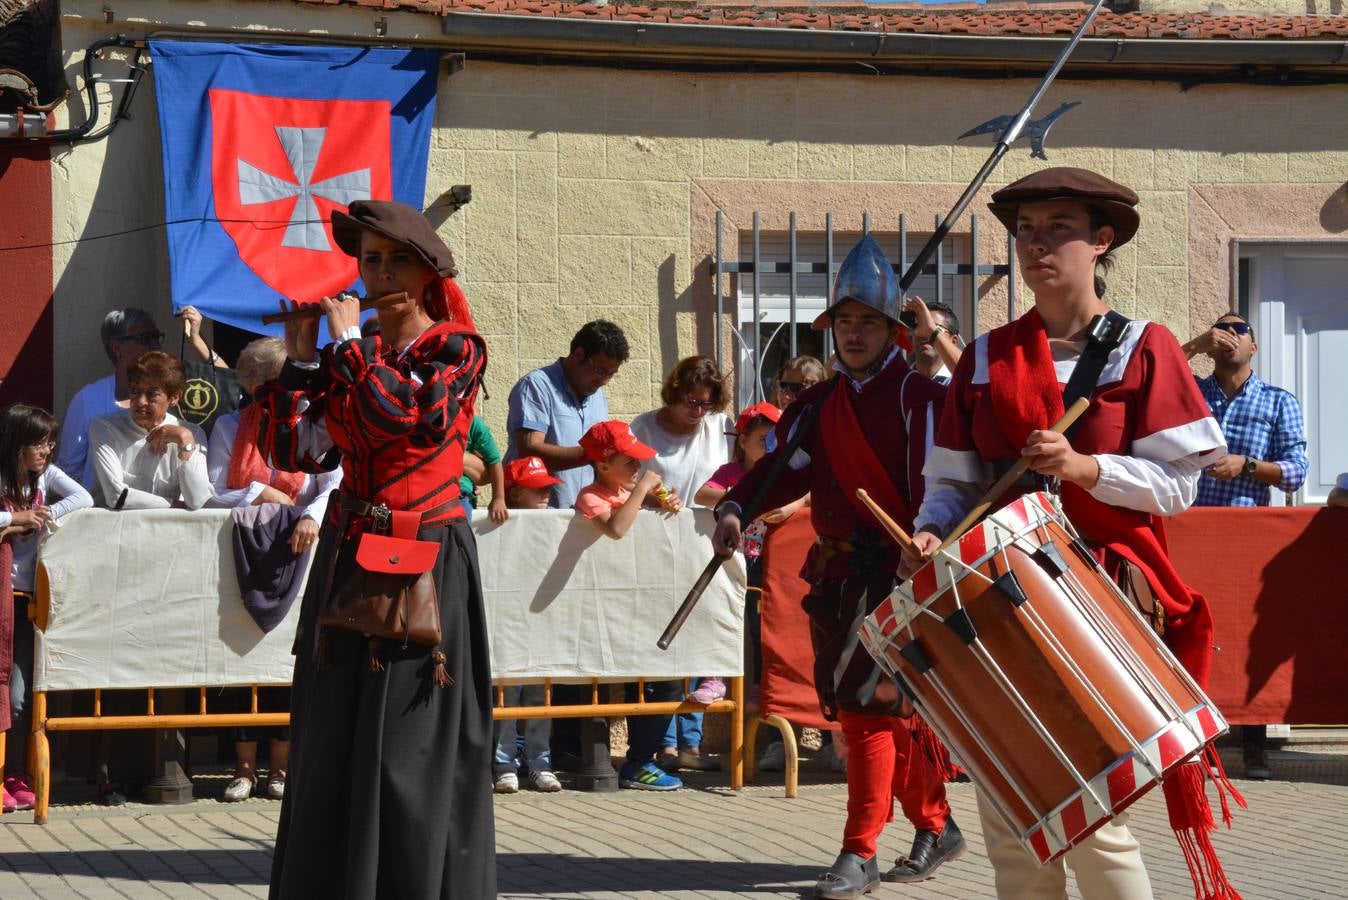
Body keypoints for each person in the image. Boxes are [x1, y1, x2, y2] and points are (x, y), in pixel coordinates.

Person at [903, 167, 1237, 900]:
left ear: (1101, 241)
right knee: (1008, 811)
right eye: (1025, 231)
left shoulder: (1144, 347)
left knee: (1091, 812)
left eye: (1058, 227)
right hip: (998, 593)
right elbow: (952, 483)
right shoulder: (988, 356)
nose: (1036, 244)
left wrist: (1086, 467)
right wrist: (930, 534)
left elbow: (1179, 488)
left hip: (1100, 595)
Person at [256, 199, 494, 898]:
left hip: (423, 558)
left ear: (426, 273)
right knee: (332, 739)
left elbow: (398, 420)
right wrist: (299, 361)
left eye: (396, 261)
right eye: (370, 260)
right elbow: (292, 449)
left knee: (403, 748)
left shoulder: (455, 349)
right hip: (349, 552)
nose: (379, 273)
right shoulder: (349, 358)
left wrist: (347, 344)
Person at [713, 234, 960, 899]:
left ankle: (860, 852)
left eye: (868, 323)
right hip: (840, 577)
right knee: (878, 713)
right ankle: (936, 822)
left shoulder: (919, 398)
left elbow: (949, 485)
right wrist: (737, 507)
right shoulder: (818, 405)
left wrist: (930, 538)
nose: (853, 335)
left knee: (867, 713)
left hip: (903, 574)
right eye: (844, 323)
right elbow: (781, 469)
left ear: (892, 331)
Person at [204, 337, 343, 801]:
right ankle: (244, 769)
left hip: (302, 554)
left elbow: (333, 483)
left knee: (286, 664)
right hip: (245, 556)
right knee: (244, 661)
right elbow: (212, 490)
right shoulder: (228, 426)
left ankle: (281, 770)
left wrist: (309, 515)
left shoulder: (313, 427)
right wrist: (260, 494)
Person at [1182, 312, 1309, 781]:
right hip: (1190, 529)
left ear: (1254, 348)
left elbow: (1297, 470)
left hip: (1245, 538)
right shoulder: (1190, 390)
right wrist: (1193, 344)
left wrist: (1248, 466)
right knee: (1192, 635)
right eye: (1222, 329)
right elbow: (1143, 385)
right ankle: (1198, 743)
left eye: (1241, 331)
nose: (1229, 336)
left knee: (1246, 636)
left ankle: (1255, 744)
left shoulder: (1278, 401)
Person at [629, 356, 734, 767]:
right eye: (691, 401)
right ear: (674, 393)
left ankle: (689, 744)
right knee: (664, 644)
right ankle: (665, 744)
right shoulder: (644, 427)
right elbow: (624, 476)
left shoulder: (717, 429)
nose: (697, 411)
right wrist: (648, 493)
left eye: (706, 403)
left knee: (698, 639)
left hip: (704, 544)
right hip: (655, 545)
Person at [572, 420, 684, 790]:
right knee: (608, 684)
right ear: (603, 466)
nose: (638, 469)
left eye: (638, 463)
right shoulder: (591, 495)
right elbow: (617, 530)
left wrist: (667, 503)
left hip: (645, 602)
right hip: (606, 608)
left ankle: (640, 761)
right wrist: (643, 492)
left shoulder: (628, 491)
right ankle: (592, 759)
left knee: (665, 683)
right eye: (629, 463)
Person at [0, 404, 93, 813]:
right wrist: (13, 516)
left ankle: (14, 773)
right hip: (2, 596)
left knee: (18, 697)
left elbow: (84, 496)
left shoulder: (46, 476)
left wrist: (43, 513)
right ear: (16, 444)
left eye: (49, 443)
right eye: (38, 443)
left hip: (24, 601)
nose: (46, 450)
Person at [492, 457, 564, 795]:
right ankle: (505, 763)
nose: (546, 495)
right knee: (508, 695)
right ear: (516, 493)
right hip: (509, 623)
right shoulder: (497, 524)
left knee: (539, 693)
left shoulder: (555, 524)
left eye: (548, 488)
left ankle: (540, 762)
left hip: (540, 623)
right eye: (538, 490)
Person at [506, 320, 630, 509]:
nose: (604, 381)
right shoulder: (536, 385)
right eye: (600, 370)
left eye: (611, 374)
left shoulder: (598, 396)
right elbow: (529, 449)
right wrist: (592, 454)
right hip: (538, 516)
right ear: (578, 355)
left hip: (583, 516)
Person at [88, 351, 212, 511]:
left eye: (152, 394)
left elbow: (197, 500)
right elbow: (116, 496)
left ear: (174, 397)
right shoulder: (104, 427)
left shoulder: (193, 434)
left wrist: (185, 439)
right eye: (134, 391)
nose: (140, 402)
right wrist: (173, 505)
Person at [459, 415, 507, 524]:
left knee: (460, 532)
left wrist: (498, 497)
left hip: (459, 493)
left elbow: (494, 460)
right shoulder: (423, 417)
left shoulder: (473, 422)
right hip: (427, 492)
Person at [903, 297, 963, 383]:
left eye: (933, 327)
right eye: (918, 326)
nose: (923, 333)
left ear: (953, 341)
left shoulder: (963, 384)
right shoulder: (900, 383)